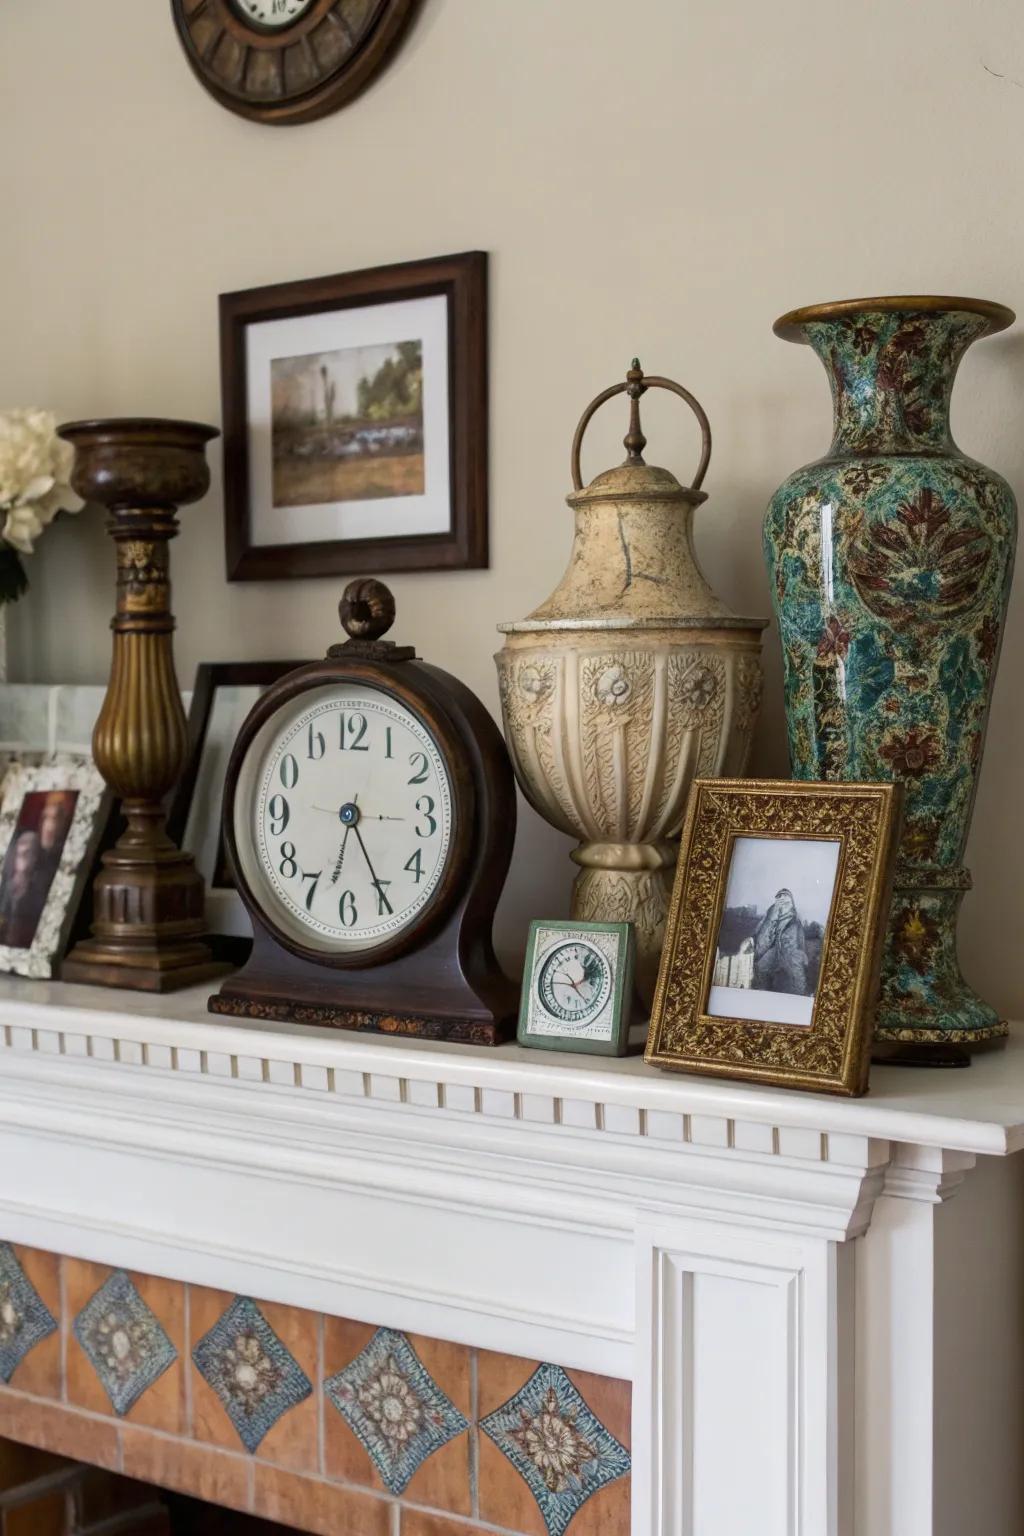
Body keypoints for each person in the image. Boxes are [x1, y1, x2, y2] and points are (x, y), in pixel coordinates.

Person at [753, 888, 809, 995]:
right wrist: (773, 916)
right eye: (779, 896)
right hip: (773, 952)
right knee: (761, 968)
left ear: (792, 901)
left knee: (797, 978)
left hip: (791, 955)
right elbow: (762, 937)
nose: (782, 898)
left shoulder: (795, 920)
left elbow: (800, 941)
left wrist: (802, 954)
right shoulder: (769, 915)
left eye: (786, 896)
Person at [0, 830, 44, 950]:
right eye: (20, 844)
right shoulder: (3, 887)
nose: (22, 849)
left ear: (35, 857)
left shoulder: (38, 896)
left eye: (28, 851)